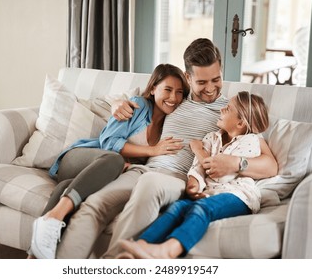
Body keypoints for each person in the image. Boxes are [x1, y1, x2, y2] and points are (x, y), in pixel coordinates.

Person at [53, 38, 277, 259]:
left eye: (216, 80)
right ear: (188, 78)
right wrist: (116, 105)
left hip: (179, 178)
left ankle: (115, 263)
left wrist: (238, 163)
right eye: (201, 83)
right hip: (144, 170)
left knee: (150, 183)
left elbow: (269, 163)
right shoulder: (175, 98)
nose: (210, 89)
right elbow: (139, 99)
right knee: (95, 204)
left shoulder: (231, 112)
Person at [29, 63, 189, 259]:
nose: (174, 97)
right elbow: (109, 142)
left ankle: (37, 254)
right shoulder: (136, 106)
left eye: (179, 92)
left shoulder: (171, 122)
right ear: (154, 88)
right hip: (81, 158)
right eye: (168, 89)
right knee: (114, 159)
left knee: (66, 188)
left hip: (101, 175)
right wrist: (151, 150)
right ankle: (52, 220)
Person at [117, 91, 269, 258]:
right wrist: (193, 183)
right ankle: (141, 246)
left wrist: (198, 150)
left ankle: (169, 250)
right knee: (178, 207)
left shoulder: (250, 141)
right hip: (211, 192)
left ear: (240, 123)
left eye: (228, 109)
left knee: (201, 208)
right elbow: (198, 167)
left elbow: (221, 174)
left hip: (238, 195)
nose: (221, 109)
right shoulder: (212, 137)